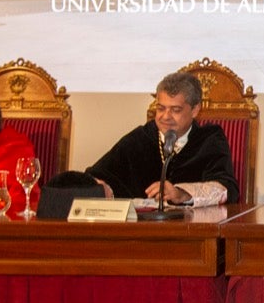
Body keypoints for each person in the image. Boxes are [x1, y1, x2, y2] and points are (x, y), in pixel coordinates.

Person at [86, 70, 239, 205]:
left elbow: (226, 189)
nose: (165, 117)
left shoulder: (209, 139)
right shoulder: (140, 138)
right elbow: (98, 176)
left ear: (195, 110)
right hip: (141, 231)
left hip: (191, 230)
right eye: (161, 108)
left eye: (176, 110)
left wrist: (182, 194)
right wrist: (103, 188)